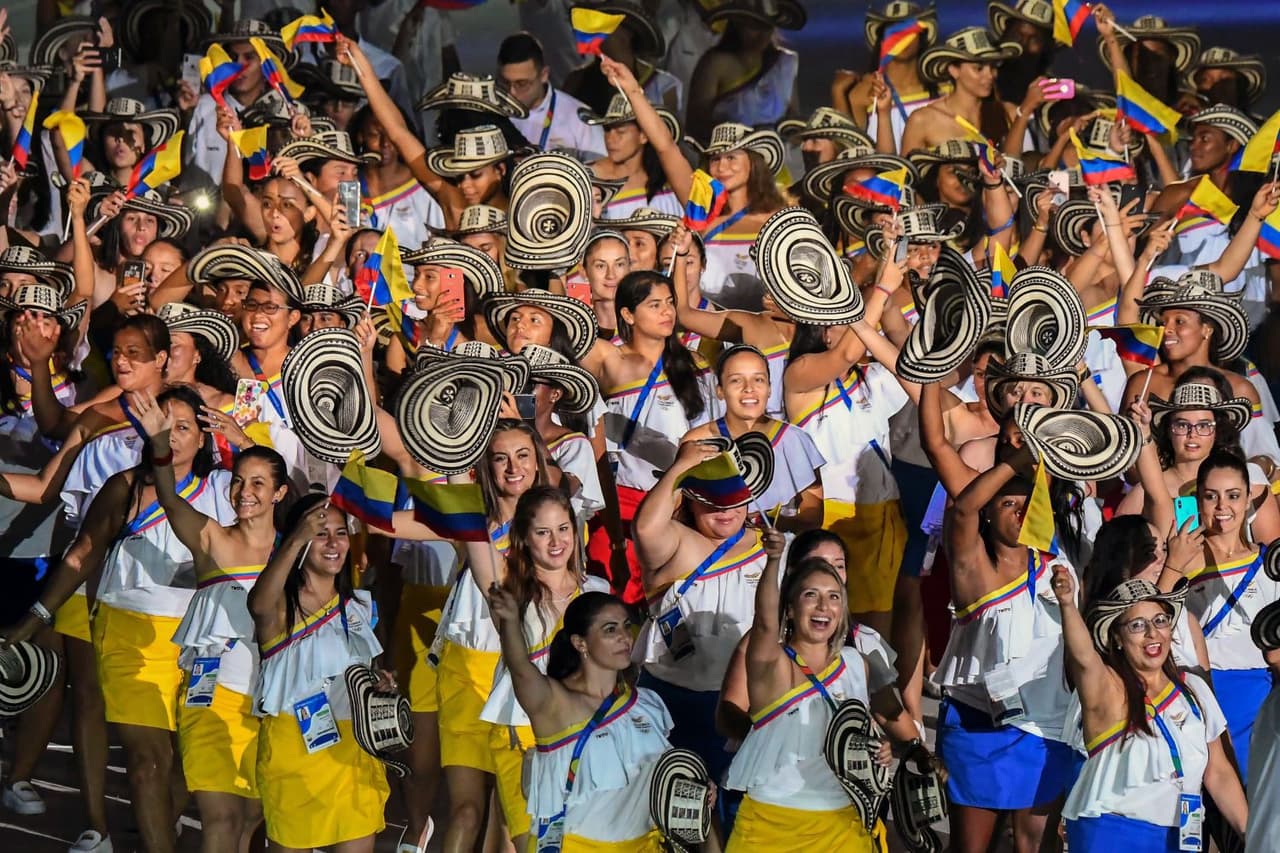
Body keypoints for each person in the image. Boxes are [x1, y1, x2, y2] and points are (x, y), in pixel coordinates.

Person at [134, 392, 288, 853]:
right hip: (212, 695)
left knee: (250, 819)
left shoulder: (294, 551)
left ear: (280, 493)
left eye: (259, 484)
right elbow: (165, 492)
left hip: (271, 700)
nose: (244, 492)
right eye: (239, 481)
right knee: (220, 817)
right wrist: (160, 443)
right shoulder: (210, 538)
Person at [725, 526, 930, 851]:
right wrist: (774, 559)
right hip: (771, 826)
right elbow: (765, 622)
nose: (824, 606)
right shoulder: (772, 664)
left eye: (833, 596)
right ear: (790, 607)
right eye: (811, 595)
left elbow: (887, 719)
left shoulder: (858, 663)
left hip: (843, 824)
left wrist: (890, 748)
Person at [1054, 568, 1249, 848]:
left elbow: (1218, 772)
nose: (1152, 633)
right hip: (1112, 833)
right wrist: (1067, 604)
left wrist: (1252, 835)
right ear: (1117, 638)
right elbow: (1084, 657)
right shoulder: (1108, 688)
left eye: (1160, 620)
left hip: (1181, 835)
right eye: (1137, 625)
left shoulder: (1193, 688)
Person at [491, 587, 690, 851]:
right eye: (610, 630)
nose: (624, 637)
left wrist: (695, 786)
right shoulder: (554, 703)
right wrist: (510, 621)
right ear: (580, 643)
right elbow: (520, 668)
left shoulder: (647, 702)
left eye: (626, 626)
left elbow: (663, 776)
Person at [247, 493, 389, 851]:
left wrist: (381, 686)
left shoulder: (360, 606)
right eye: (320, 534)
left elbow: (366, 675)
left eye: (341, 534)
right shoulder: (280, 607)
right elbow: (257, 603)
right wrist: (295, 538)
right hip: (293, 755)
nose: (333, 544)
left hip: (351, 755)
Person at [474, 486, 610, 853]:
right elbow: (472, 541)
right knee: (536, 844)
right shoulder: (510, 594)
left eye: (563, 528)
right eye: (542, 532)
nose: (556, 541)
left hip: (583, 735)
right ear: (523, 537)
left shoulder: (597, 591)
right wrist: (456, 464)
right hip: (523, 736)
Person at [1183, 450, 1280, 778]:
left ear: (1248, 498)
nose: (1222, 507)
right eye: (1211, 496)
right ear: (1198, 499)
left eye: (1233, 496)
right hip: (1203, 693)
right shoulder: (1183, 562)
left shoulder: (1270, 564)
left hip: (1260, 693)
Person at [498, 32, 605, 161]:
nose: (512, 92)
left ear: (544, 75)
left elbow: (603, 170)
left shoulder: (579, 119)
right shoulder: (492, 114)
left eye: (521, 84)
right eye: (505, 83)